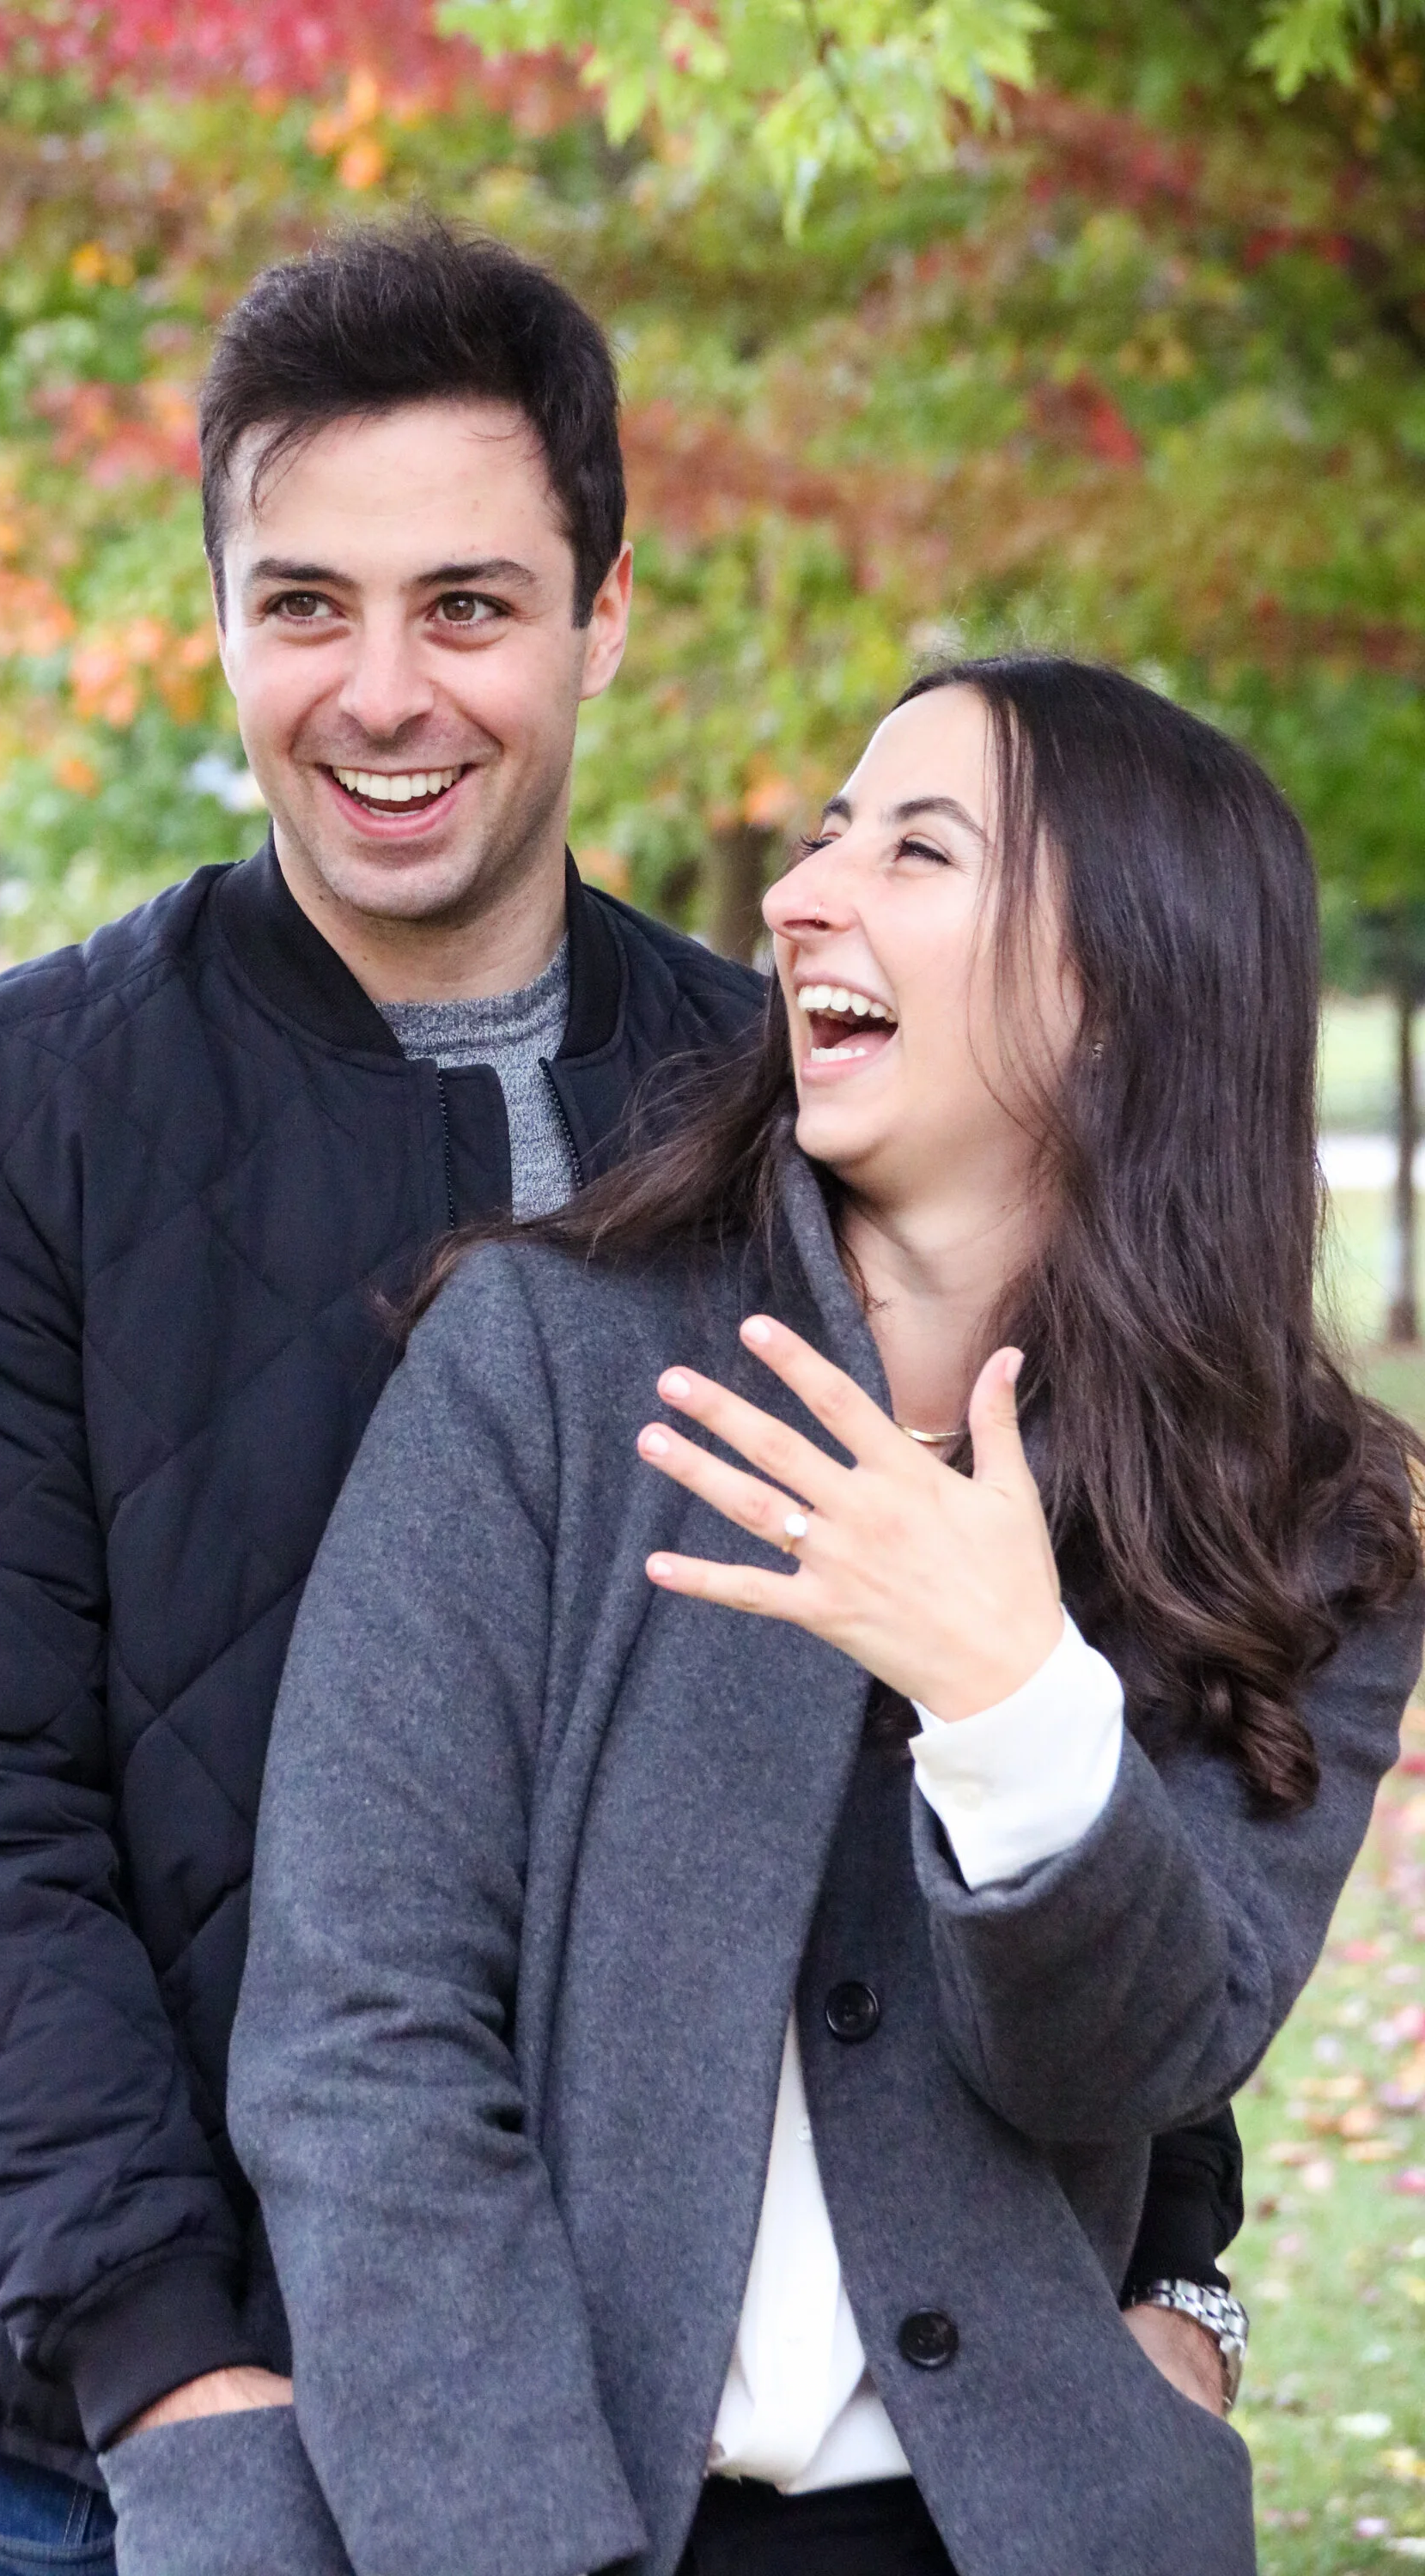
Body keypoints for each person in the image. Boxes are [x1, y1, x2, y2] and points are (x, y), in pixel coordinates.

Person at [0, 215, 1239, 2575]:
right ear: (226, 618)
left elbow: (1061, 1667)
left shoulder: (803, 1090)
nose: (384, 692)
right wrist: (180, 2374)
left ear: (603, 614)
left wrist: (1171, 2250)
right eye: (307, 606)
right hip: (154, 2433)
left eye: (466, 605)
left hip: (682, 2435)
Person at [192, 658, 1425, 2576]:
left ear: (1125, 994)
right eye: (830, 827)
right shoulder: (547, 1367)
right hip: (544, 2522)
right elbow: (363, 2035)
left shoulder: (1313, 1527)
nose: (797, 892)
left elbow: (1143, 2075)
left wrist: (1012, 1704)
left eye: (918, 847)